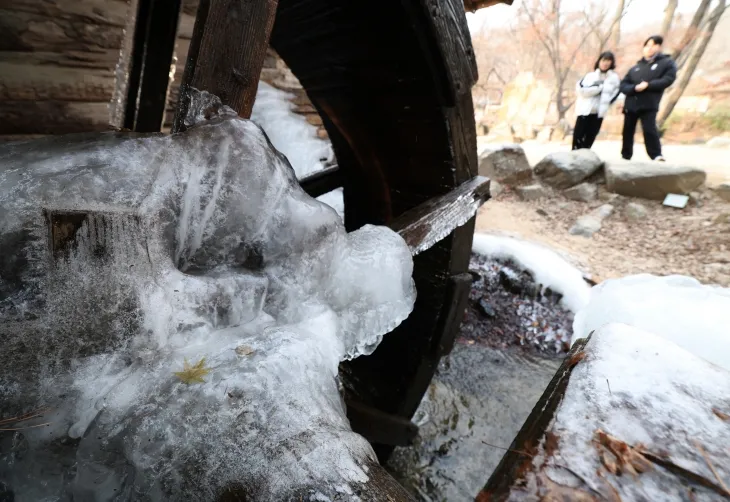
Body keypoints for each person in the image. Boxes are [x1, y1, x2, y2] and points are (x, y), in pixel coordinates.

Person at [619, 35, 677, 161]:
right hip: (631, 103)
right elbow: (623, 85)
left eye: (654, 45)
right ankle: (625, 155)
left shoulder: (666, 63)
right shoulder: (635, 67)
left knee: (649, 129)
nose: (650, 48)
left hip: (649, 103)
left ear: (659, 47)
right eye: (647, 45)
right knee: (627, 131)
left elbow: (668, 79)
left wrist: (648, 85)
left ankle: (656, 154)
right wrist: (634, 88)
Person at [573, 51, 622, 150]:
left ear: (612, 63)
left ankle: (585, 159)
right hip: (585, 111)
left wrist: (607, 104)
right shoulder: (590, 76)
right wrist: (599, 88)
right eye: (603, 60)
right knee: (578, 137)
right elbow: (581, 90)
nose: (605, 63)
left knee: (590, 138)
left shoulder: (614, 78)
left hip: (599, 113)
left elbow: (616, 94)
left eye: (608, 61)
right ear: (599, 61)